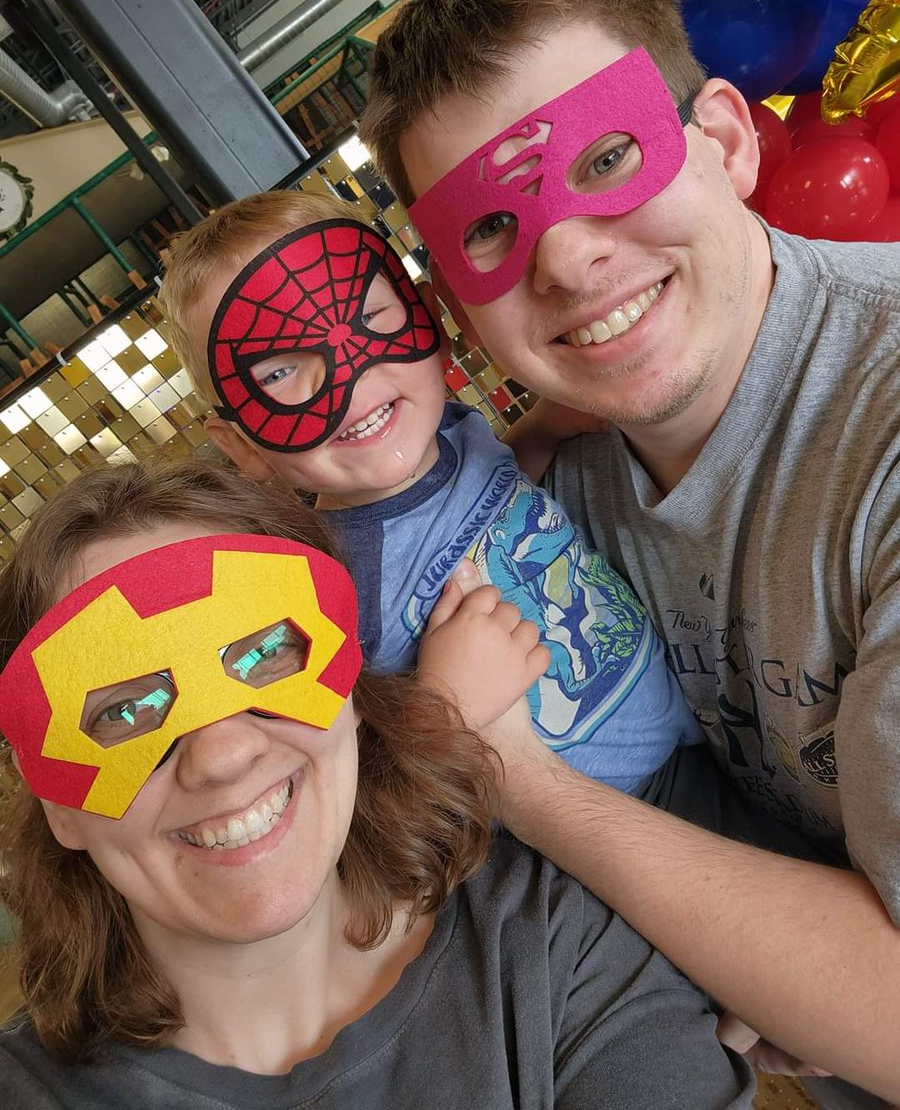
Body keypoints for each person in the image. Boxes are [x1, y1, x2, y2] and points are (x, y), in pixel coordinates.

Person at [357, 0, 900, 1107]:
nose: (565, 256)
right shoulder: (561, 496)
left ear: (727, 138)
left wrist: (522, 778)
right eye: (489, 231)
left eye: (608, 156)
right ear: (455, 307)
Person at [0, 457, 755, 1109]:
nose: (222, 754)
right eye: (126, 711)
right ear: (59, 806)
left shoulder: (557, 952)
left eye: (265, 653)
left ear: (351, 695)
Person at [159, 190, 701, 797]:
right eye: (279, 371)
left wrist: (541, 432)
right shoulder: (332, 592)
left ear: (432, 324)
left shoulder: (453, 430)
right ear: (243, 449)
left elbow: (488, 485)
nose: (350, 377)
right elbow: (353, 788)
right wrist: (446, 707)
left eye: (366, 317)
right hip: (593, 835)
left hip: (698, 740)